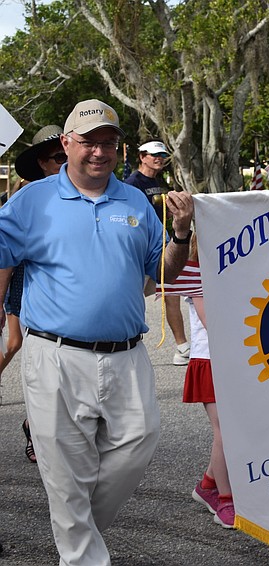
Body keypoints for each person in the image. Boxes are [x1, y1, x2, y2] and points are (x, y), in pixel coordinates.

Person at [0, 99, 194, 566]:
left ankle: (78, 537)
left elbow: (160, 276)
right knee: (66, 474)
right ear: (67, 143)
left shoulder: (135, 202)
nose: (98, 152)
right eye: (88, 141)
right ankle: (82, 555)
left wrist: (182, 234)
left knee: (138, 443)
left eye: (107, 143)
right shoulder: (32, 200)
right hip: (55, 355)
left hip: (127, 355)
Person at [3, 124, 66, 463]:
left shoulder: (90, 193)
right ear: (42, 162)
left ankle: (38, 423)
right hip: (24, 285)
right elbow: (6, 256)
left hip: (65, 300)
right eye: (58, 158)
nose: (65, 164)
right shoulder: (26, 199)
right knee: (24, 349)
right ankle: (37, 423)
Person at [177, 236, 235, 529]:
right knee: (225, 431)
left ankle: (208, 484)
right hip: (209, 360)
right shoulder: (196, 271)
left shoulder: (234, 268)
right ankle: (225, 499)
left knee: (233, 428)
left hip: (233, 358)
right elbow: (210, 320)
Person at [125, 140, 191, 366]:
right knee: (131, 295)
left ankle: (182, 347)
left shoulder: (158, 182)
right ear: (142, 156)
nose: (159, 158)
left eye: (162, 155)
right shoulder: (133, 183)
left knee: (171, 292)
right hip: (144, 249)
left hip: (163, 244)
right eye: (154, 155)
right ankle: (126, 339)